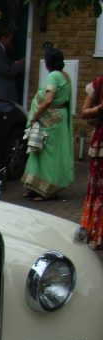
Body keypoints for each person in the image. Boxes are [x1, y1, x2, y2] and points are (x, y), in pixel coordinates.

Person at [21, 48, 74, 201]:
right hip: (56, 120)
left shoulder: (53, 76)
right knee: (42, 153)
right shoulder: (65, 76)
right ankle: (35, 187)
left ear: (48, 62)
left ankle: (45, 191)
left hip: (49, 121)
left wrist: (35, 115)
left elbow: (49, 99)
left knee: (45, 155)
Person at [80, 75, 103, 248]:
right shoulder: (99, 83)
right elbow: (84, 112)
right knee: (98, 188)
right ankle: (95, 232)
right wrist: (99, 109)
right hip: (101, 143)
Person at [0, 28, 24, 102]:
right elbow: (6, 70)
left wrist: (14, 63)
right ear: (3, 38)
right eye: (9, 40)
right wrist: (19, 64)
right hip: (1, 91)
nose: (10, 43)